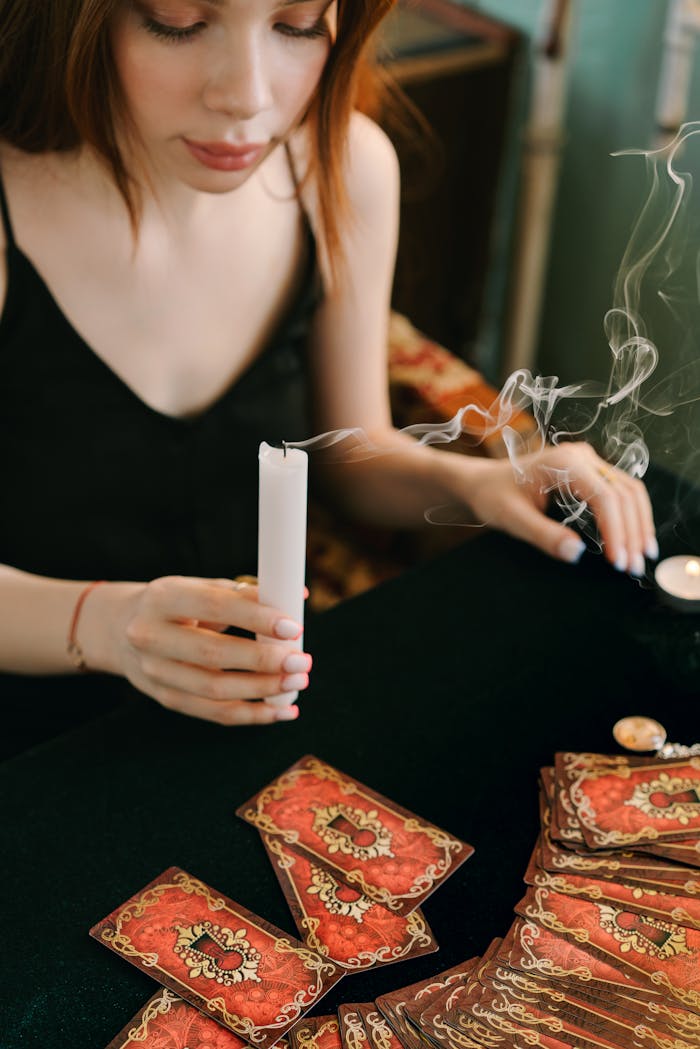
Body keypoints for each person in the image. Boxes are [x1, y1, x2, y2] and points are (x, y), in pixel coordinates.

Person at [0, 0, 657, 735]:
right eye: (180, 21)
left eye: (298, 24)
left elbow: (352, 455)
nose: (247, 94)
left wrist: (483, 482)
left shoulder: (344, 167)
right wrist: (107, 625)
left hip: (254, 709)